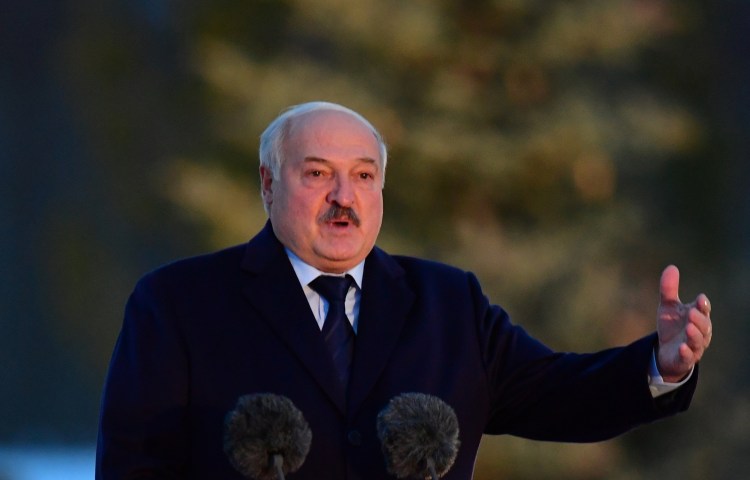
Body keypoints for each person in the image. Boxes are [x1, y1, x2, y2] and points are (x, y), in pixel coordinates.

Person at [96, 101, 713, 479]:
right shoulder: (178, 304)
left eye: (364, 176)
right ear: (267, 183)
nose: (345, 197)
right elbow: (135, 468)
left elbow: (558, 394)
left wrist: (661, 364)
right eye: (318, 174)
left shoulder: (449, 303)